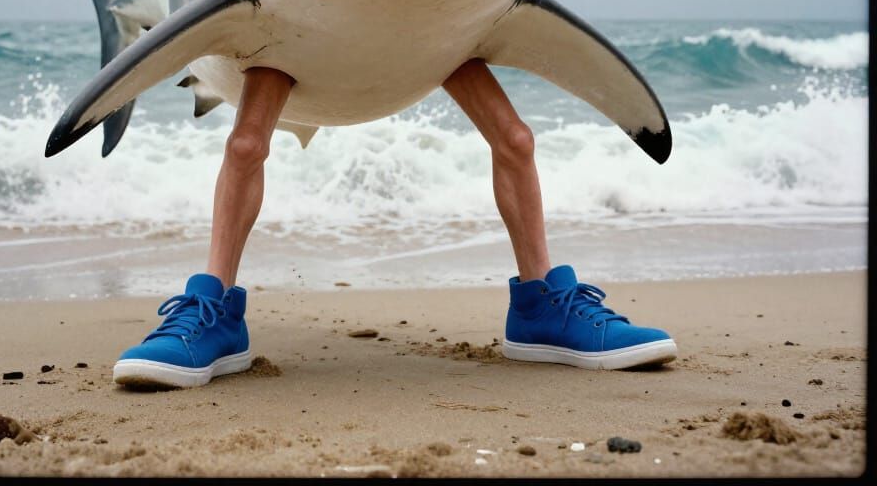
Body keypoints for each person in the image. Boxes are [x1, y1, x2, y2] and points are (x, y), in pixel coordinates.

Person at [112, 61, 677, 388]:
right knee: (244, 144)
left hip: (424, 22)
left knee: (516, 138)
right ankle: (216, 316)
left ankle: (540, 310)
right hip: (290, 21)